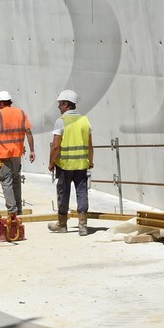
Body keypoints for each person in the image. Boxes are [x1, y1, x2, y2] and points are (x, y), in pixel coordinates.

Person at [47, 89, 94, 235]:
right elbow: (90, 144)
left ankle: (62, 224)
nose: (58, 107)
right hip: (81, 165)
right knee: (82, 193)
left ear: (66, 104)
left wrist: (51, 162)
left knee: (63, 193)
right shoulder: (85, 120)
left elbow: (55, 146)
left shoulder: (61, 121)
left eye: (60, 104)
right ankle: (83, 225)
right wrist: (90, 161)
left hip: (64, 165)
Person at [0, 91, 34, 214]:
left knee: (6, 181)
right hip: (17, 153)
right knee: (16, 180)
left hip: (4, 154)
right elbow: (28, 133)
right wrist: (32, 150)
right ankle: (19, 209)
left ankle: (12, 211)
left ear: (1, 103)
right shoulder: (21, 113)